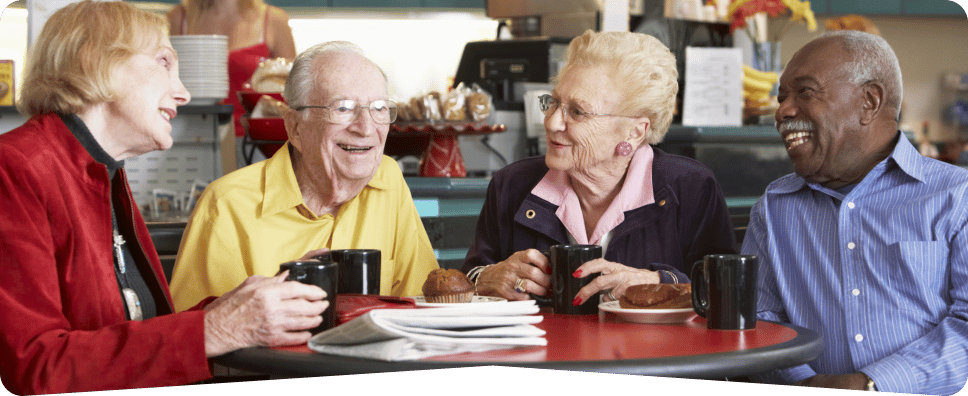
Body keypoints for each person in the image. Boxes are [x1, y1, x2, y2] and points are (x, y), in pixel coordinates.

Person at [0, 2, 328, 394]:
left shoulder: (106, 171)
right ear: (98, 61)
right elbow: (37, 367)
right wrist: (213, 330)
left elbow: (129, 334)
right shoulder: (14, 168)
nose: (184, 93)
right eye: (164, 62)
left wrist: (237, 308)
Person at [743, 30, 968, 395]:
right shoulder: (773, 208)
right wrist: (803, 384)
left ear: (869, 101)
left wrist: (872, 384)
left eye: (805, 92)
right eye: (782, 97)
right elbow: (758, 318)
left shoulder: (957, 196)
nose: (782, 110)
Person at [461, 30, 736, 305]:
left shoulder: (690, 187)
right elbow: (466, 280)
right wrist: (485, 279)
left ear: (634, 132)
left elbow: (727, 294)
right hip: (543, 348)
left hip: (650, 349)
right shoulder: (511, 185)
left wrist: (659, 283)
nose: (552, 122)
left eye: (578, 111)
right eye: (553, 102)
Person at [169, 41, 439, 311]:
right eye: (343, 108)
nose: (366, 129)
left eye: (379, 108)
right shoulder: (227, 204)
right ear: (295, 127)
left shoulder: (388, 179)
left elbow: (422, 306)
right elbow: (197, 333)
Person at [167, 0, 296, 136]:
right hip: (193, 137)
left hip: (254, 141)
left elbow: (292, 90)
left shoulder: (273, 19)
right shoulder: (178, 18)